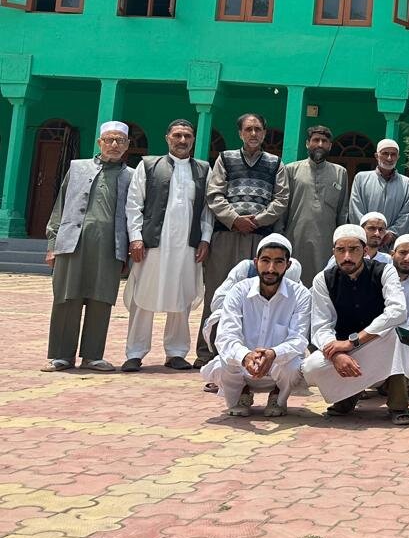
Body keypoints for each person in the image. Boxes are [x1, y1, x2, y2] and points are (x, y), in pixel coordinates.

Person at [42, 121, 136, 373]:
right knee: (66, 298)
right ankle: (61, 356)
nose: (114, 145)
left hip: (109, 247)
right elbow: (60, 206)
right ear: (99, 142)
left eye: (120, 141)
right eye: (109, 140)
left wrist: (129, 250)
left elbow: (135, 214)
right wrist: (52, 243)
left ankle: (93, 356)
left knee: (101, 300)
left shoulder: (132, 175)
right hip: (71, 244)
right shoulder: (77, 168)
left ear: (127, 145)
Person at [198, 113, 289, 366]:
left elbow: (281, 199)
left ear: (264, 133)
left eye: (258, 129)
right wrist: (234, 218)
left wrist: (258, 220)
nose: (253, 134)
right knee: (217, 292)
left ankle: (246, 351)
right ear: (240, 133)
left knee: (253, 295)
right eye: (248, 129)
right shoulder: (225, 159)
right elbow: (214, 194)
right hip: (227, 235)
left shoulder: (275, 163)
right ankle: (207, 352)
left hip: (258, 240)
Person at [122, 119, 212, 372]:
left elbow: (207, 209)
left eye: (187, 136)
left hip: (187, 246)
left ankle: (176, 352)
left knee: (182, 297)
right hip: (153, 245)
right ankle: (135, 352)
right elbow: (134, 204)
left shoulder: (203, 169)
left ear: (193, 140)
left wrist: (205, 238)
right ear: (167, 138)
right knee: (143, 298)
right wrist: (135, 237)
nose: (182, 140)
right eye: (177, 135)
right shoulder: (149, 165)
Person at [302, 224, 409, 424]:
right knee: (311, 367)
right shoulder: (324, 279)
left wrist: (353, 341)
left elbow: (398, 311)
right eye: (341, 250)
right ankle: (346, 396)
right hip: (344, 350)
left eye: (353, 249)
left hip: (379, 344)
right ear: (333, 252)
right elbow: (321, 326)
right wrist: (336, 354)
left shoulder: (384, 271)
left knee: (399, 334)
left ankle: (399, 405)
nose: (347, 256)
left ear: (365, 251)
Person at [205, 234, 309, 418]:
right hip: (244, 366)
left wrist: (273, 354)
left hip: (278, 365)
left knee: (295, 364)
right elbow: (226, 336)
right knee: (223, 362)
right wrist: (245, 356)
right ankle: (241, 393)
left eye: (278, 262)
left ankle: (278, 396)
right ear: (256, 262)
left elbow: (298, 339)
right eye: (265, 260)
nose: (271, 269)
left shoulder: (300, 295)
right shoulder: (239, 291)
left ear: (288, 265)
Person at [282, 125, 350, 284]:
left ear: (330, 146)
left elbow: (343, 211)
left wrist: (341, 241)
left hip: (326, 241)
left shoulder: (340, 173)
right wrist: (280, 236)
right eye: (316, 140)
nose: (320, 144)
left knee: (323, 282)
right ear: (307, 143)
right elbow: (283, 207)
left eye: (324, 141)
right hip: (295, 237)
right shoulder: (291, 170)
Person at [349, 138, 409, 236]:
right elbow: (355, 209)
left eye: (393, 154)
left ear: (398, 157)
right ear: (377, 156)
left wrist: (391, 234)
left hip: (392, 241)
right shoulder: (361, 179)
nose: (389, 158)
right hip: (365, 238)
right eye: (385, 153)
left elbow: (407, 214)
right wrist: (368, 232)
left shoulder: (408, 184)